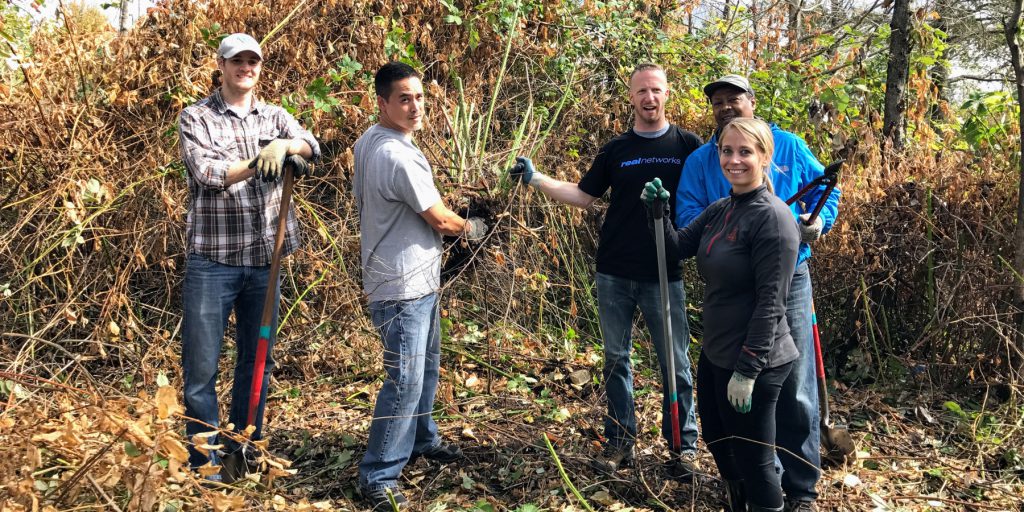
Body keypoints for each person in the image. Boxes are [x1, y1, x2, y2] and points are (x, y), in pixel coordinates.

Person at [509, 63, 702, 477]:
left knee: (676, 362)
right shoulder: (615, 149)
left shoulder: (689, 145)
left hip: (664, 272)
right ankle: (620, 441)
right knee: (616, 359)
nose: (649, 98)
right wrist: (536, 178)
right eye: (641, 92)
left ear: (667, 94)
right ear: (630, 97)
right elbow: (583, 195)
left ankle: (682, 446)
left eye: (656, 90)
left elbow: (712, 194)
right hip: (613, 270)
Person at [675, 74, 841, 512]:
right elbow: (688, 217)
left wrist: (817, 220)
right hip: (730, 284)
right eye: (718, 101)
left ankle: (800, 488)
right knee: (731, 406)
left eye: (735, 99)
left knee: (794, 389)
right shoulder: (700, 162)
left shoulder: (787, 144)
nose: (727, 106)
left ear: (752, 102)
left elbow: (828, 188)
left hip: (787, 277)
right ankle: (753, 480)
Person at [178, 33, 320, 480]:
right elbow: (209, 173)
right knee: (201, 369)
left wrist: (288, 146)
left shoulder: (275, 115)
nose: (246, 67)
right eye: (237, 61)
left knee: (257, 357)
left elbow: (312, 144)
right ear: (220, 66)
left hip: (265, 261)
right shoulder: (196, 117)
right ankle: (207, 463)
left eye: (253, 61)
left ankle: (244, 447)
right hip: (213, 262)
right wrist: (263, 157)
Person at [646, 117, 800, 512]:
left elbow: (772, 303)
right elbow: (677, 247)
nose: (734, 160)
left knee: (757, 460)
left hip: (757, 361)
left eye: (745, 151)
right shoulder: (722, 208)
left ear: (765, 157)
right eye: (727, 151)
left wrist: (748, 371)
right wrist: (659, 211)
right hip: (716, 350)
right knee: (717, 440)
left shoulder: (774, 219)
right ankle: (739, 504)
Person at [354, 61, 487, 510]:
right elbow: (441, 219)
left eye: (419, 97)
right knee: (405, 379)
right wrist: (476, 229)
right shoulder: (396, 154)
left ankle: (421, 439)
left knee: (426, 367)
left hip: (412, 278)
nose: (414, 107)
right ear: (383, 103)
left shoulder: (368, 141)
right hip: (402, 284)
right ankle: (378, 474)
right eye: (403, 99)